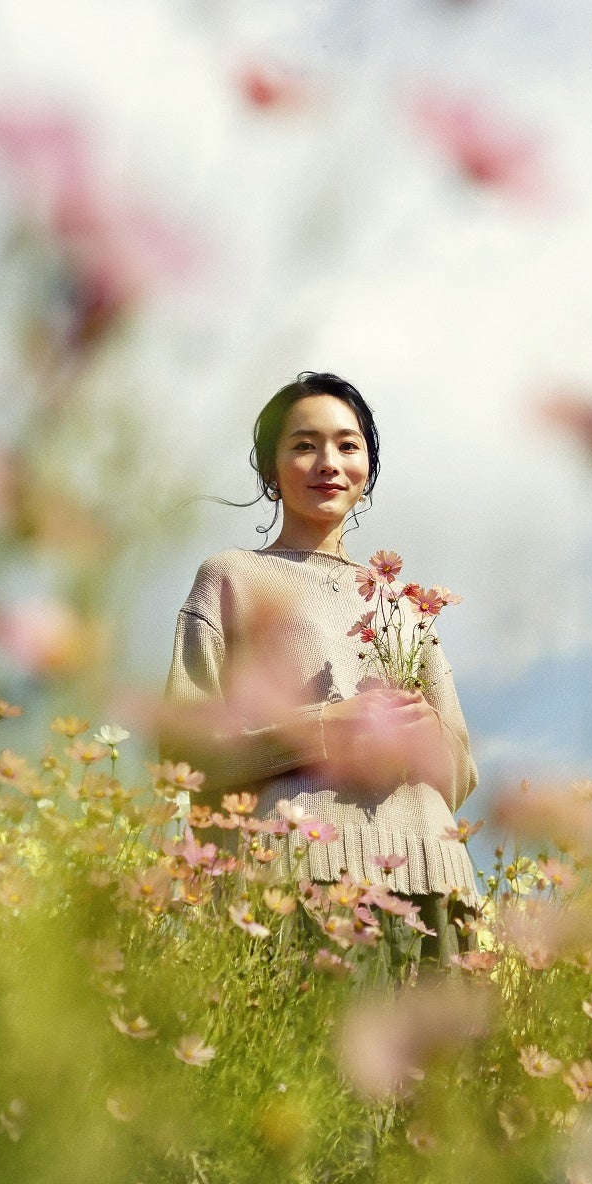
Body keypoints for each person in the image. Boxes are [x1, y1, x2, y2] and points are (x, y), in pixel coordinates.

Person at [159, 372, 480, 963]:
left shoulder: (403, 603)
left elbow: (459, 770)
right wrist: (328, 728)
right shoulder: (231, 577)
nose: (327, 462)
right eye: (304, 445)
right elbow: (186, 750)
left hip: (434, 879)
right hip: (299, 879)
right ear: (268, 470)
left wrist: (419, 738)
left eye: (347, 445)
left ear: (368, 469)